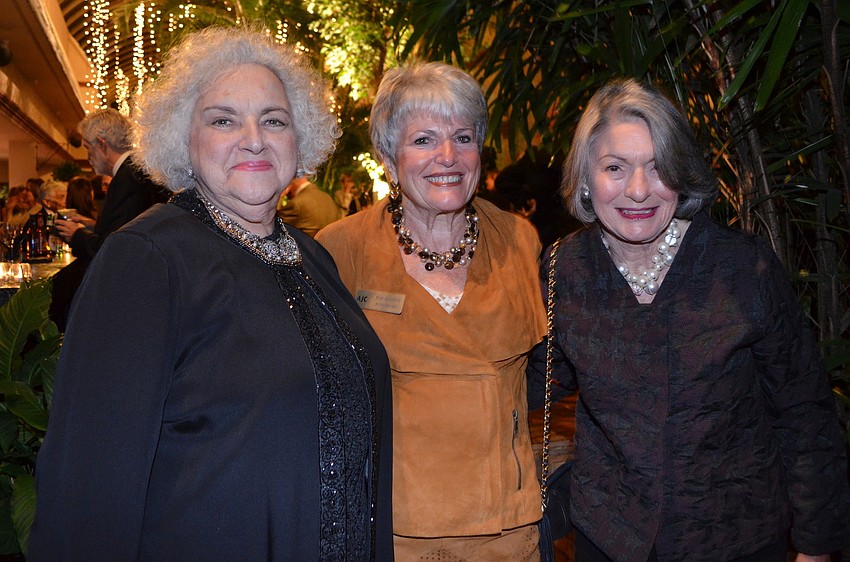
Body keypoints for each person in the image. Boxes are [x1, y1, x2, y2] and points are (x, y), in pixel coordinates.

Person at [30, 26, 393, 561]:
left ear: (301, 140)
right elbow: (91, 483)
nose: (254, 138)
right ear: (184, 138)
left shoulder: (312, 256)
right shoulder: (147, 259)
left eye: (274, 120)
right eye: (223, 120)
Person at [527, 78, 850, 562]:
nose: (638, 190)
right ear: (587, 180)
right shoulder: (562, 268)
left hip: (733, 535)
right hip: (609, 535)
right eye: (615, 168)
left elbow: (803, 411)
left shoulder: (744, 267)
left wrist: (816, 544)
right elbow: (540, 377)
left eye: (658, 168)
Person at [317, 61, 546, 561]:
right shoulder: (340, 250)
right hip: (392, 527)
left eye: (463, 137)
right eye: (423, 140)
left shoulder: (520, 242)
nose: (448, 156)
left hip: (505, 530)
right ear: (386, 157)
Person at [50, 108, 168, 331]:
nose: (88, 156)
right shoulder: (135, 172)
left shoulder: (128, 178)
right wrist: (91, 226)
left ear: (102, 144)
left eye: (88, 147)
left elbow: (114, 248)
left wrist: (76, 234)